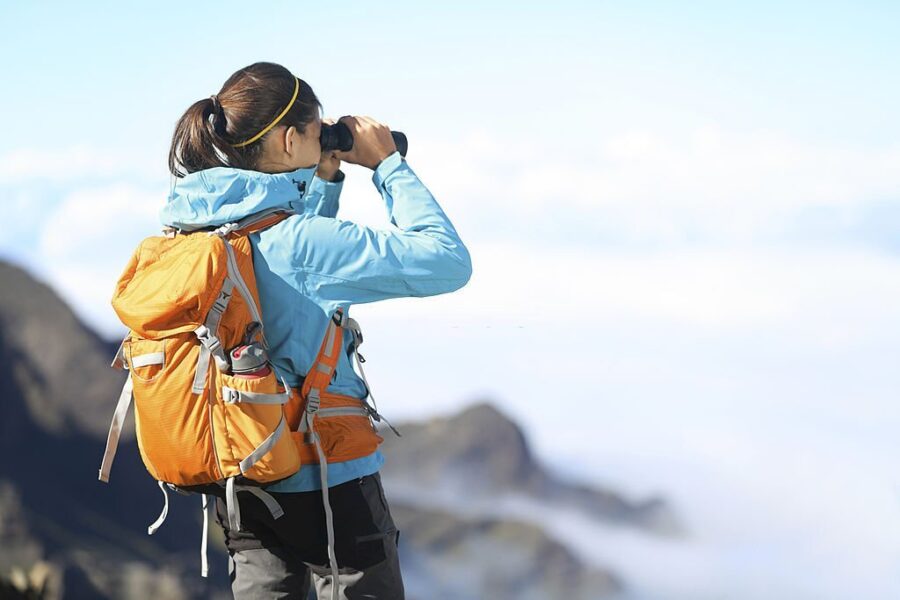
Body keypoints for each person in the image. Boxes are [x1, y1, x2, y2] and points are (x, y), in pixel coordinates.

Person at [160, 61, 473, 599]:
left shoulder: (194, 229)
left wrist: (324, 179)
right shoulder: (297, 244)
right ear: (287, 140)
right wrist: (388, 166)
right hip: (329, 482)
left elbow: (293, 281)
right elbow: (446, 261)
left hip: (242, 471)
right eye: (315, 128)